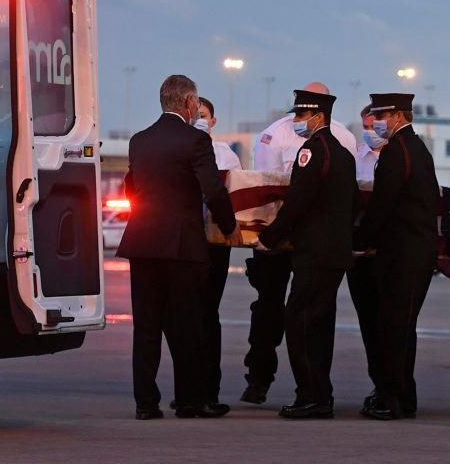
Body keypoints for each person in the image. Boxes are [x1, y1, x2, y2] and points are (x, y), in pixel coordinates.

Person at [118, 75, 242, 420]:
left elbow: (131, 185)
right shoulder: (196, 140)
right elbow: (213, 189)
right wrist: (230, 227)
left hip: (142, 243)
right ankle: (189, 401)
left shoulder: (139, 140)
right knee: (186, 324)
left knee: (146, 327)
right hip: (182, 246)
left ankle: (145, 403)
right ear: (189, 103)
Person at [242, 82, 358, 404]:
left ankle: (311, 396)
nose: (298, 118)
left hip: (308, 247)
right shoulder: (340, 149)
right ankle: (315, 392)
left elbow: (297, 202)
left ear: (318, 115)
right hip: (331, 250)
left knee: (302, 323)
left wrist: (269, 237)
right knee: (313, 322)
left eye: (303, 113)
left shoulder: (312, 150)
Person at [355, 93, 440, 420]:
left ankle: (392, 399)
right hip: (414, 252)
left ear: (397, 116)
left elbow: (382, 206)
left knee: (393, 328)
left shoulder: (396, 153)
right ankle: (403, 396)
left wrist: (360, 241)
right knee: (401, 327)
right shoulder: (416, 149)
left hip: (403, 254)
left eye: (381, 115)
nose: (377, 122)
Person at [195, 96, 241, 408]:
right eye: (194, 114)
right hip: (189, 242)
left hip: (215, 244)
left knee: (208, 314)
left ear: (213, 121)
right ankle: (191, 389)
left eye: (204, 115)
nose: (199, 119)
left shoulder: (224, 154)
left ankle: (208, 388)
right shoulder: (183, 148)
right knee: (188, 316)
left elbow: (230, 196)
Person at [346, 103, 388, 410]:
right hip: (359, 253)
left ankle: (392, 385)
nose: (371, 131)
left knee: (390, 323)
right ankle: (378, 381)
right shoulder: (353, 157)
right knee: (368, 324)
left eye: (376, 125)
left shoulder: (398, 156)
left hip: (386, 253)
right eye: (367, 125)